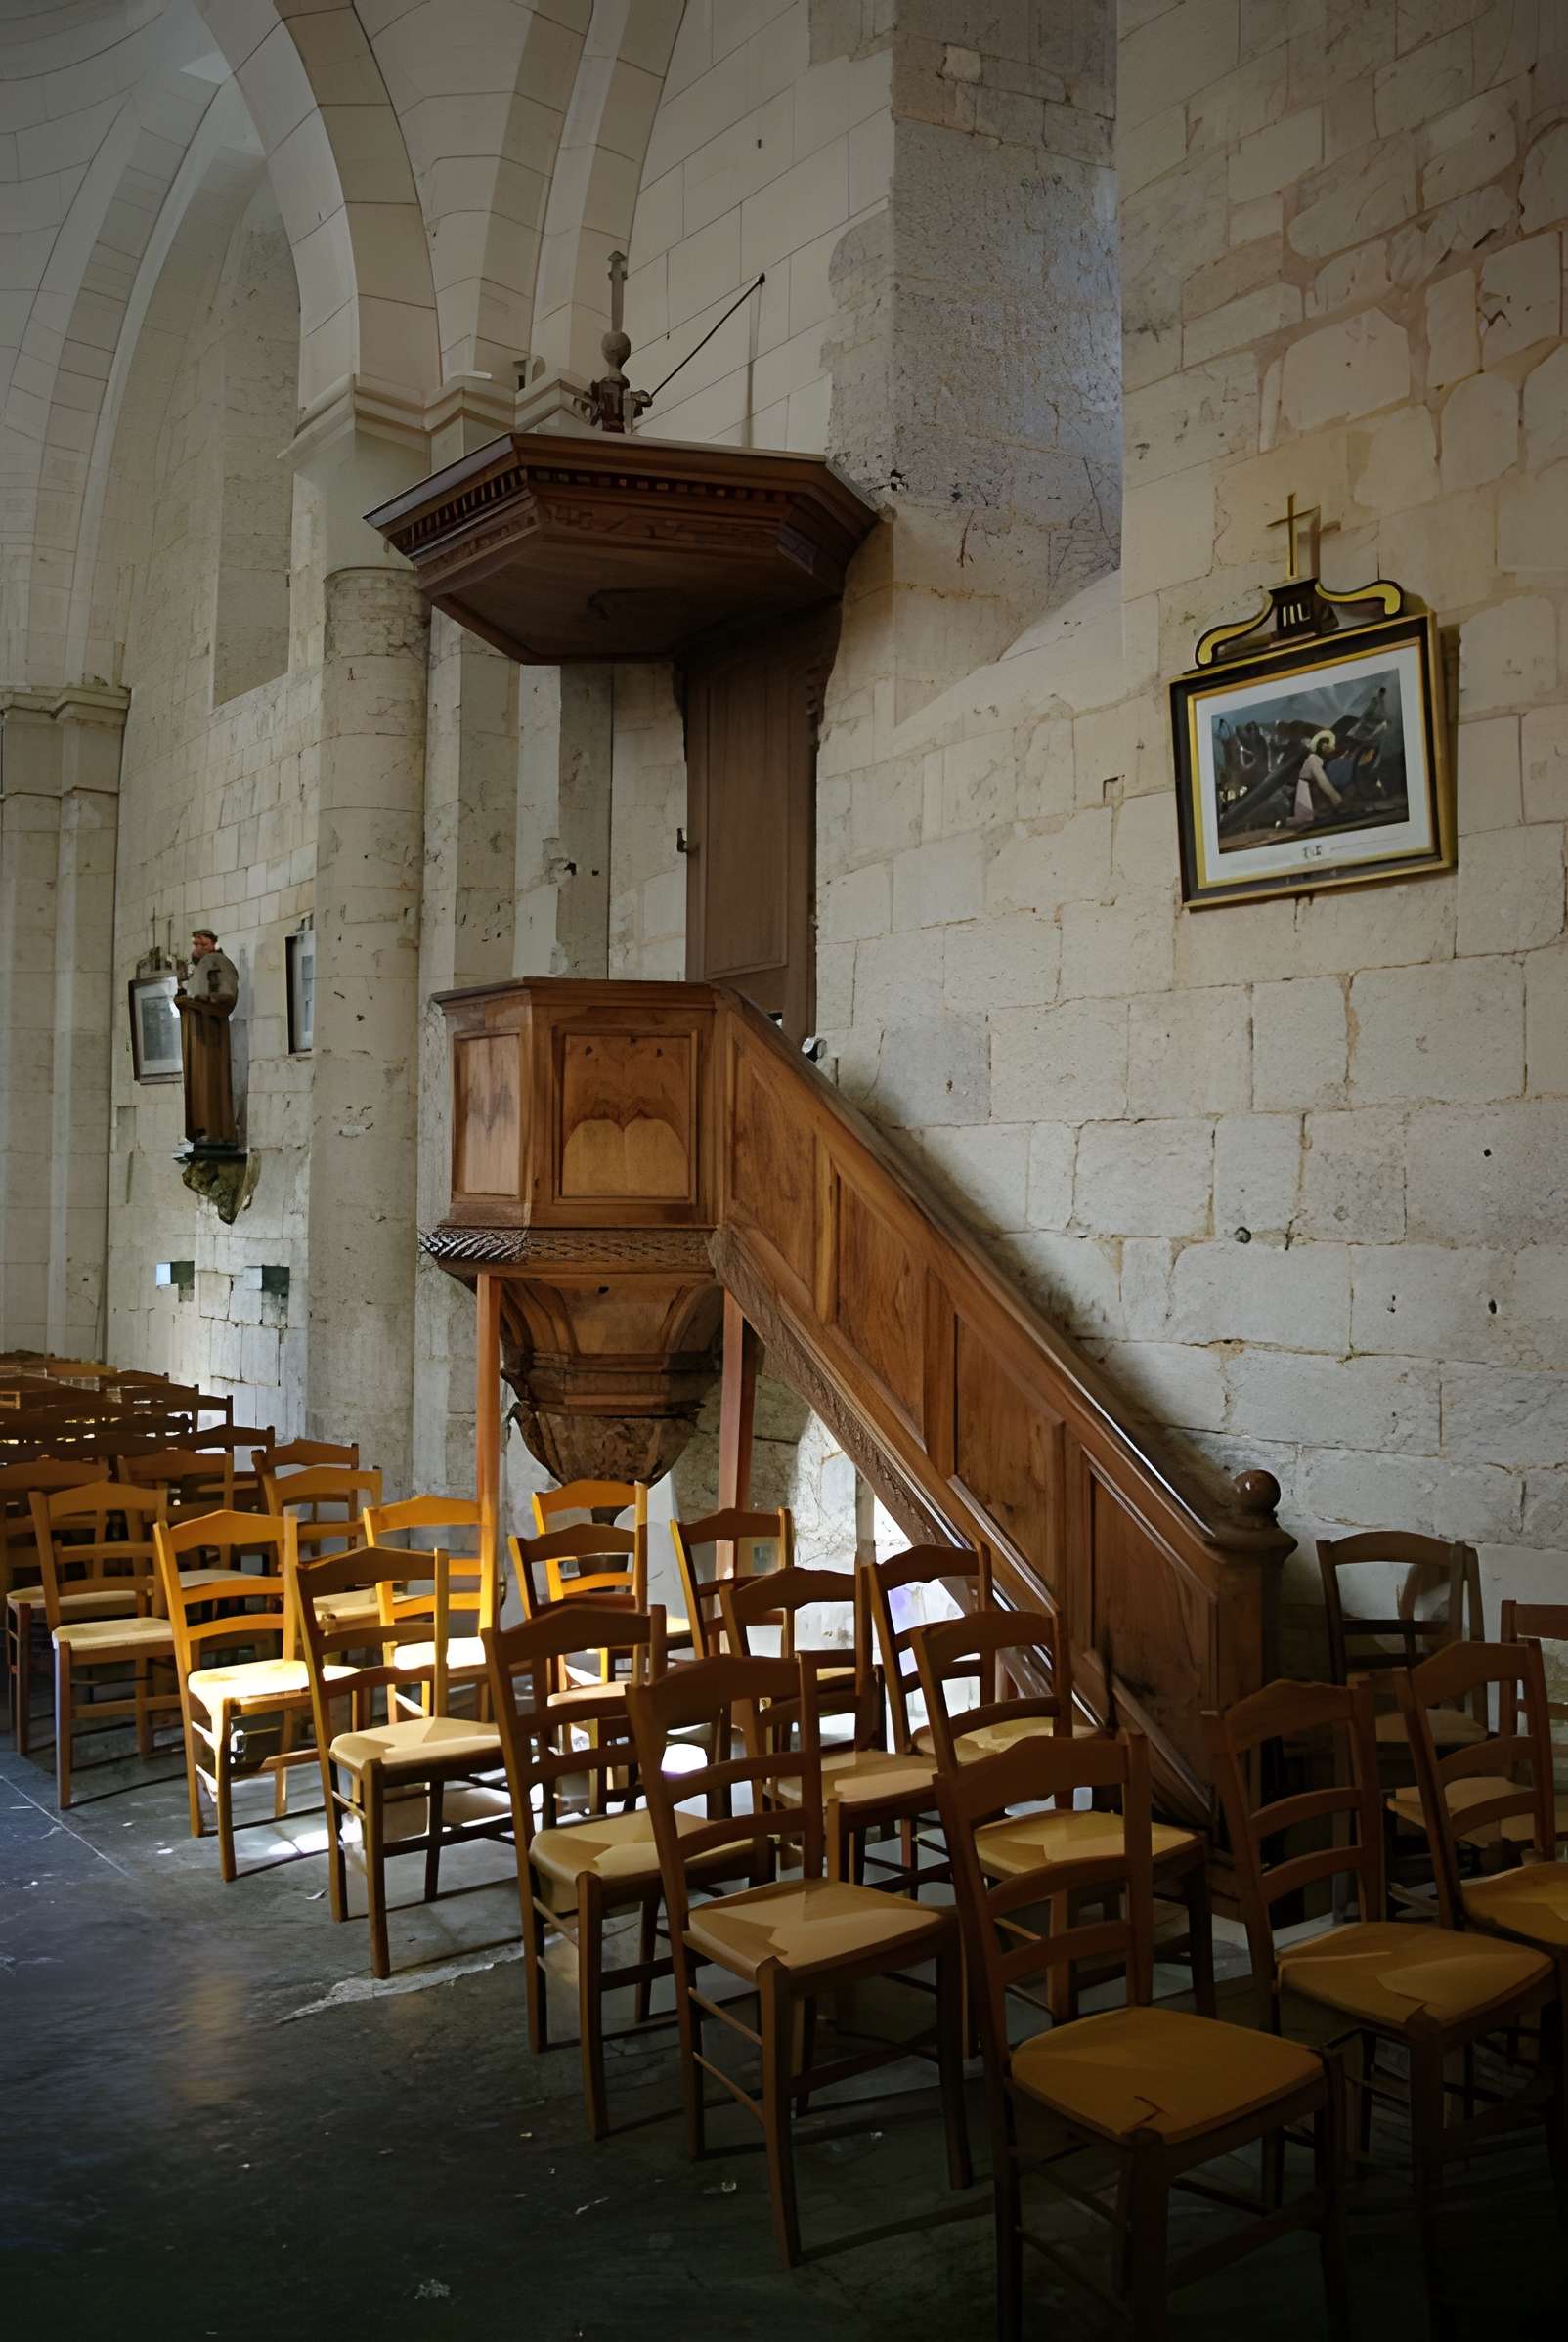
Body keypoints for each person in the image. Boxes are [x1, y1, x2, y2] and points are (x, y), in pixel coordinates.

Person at [175, 925, 240, 1149]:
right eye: (195, 944)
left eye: (203, 944)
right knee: (197, 1080)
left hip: (210, 1032)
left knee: (210, 1078)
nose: (198, 948)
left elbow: (226, 996)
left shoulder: (218, 963)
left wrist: (198, 1001)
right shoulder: (199, 968)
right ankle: (202, 1128)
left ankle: (215, 1129)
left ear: (213, 944)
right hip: (195, 1031)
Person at [1289, 728, 1343, 830]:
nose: (1330, 750)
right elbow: (1323, 782)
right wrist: (1336, 797)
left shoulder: (1317, 759)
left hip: (1311, 789)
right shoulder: (1313, 759)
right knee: (1306, 819)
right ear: (1323, 747)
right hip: (1305, 790)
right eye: (1328, 747)